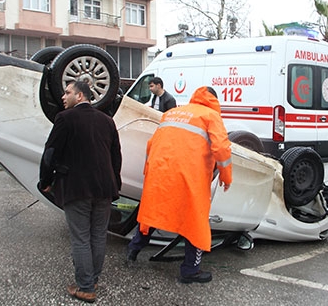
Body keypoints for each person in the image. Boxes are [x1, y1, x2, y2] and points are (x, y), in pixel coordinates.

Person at [127, 86, 233, 284]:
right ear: (214, 101)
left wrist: (148, 170)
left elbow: (152, 144)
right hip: (189, 177)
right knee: (195, 220)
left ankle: (133, 249)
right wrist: (226, 176)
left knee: (153, 213)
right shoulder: (210, 116)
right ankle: (190, 270)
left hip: (160, 172)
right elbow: (221, 148)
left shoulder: (171, 113)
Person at [38, 80, 122, 303]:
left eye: (67, 93)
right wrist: (116, 184)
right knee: (98, 236)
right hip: (105, 188)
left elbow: (50, 153)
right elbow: (116, 157)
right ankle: (92, 280)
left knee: (81, 238)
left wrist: (45, 180)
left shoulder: (65, 119)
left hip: (77, 187)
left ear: (81, 96)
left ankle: (85, 288)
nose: (63, 97)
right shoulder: (107, 121)